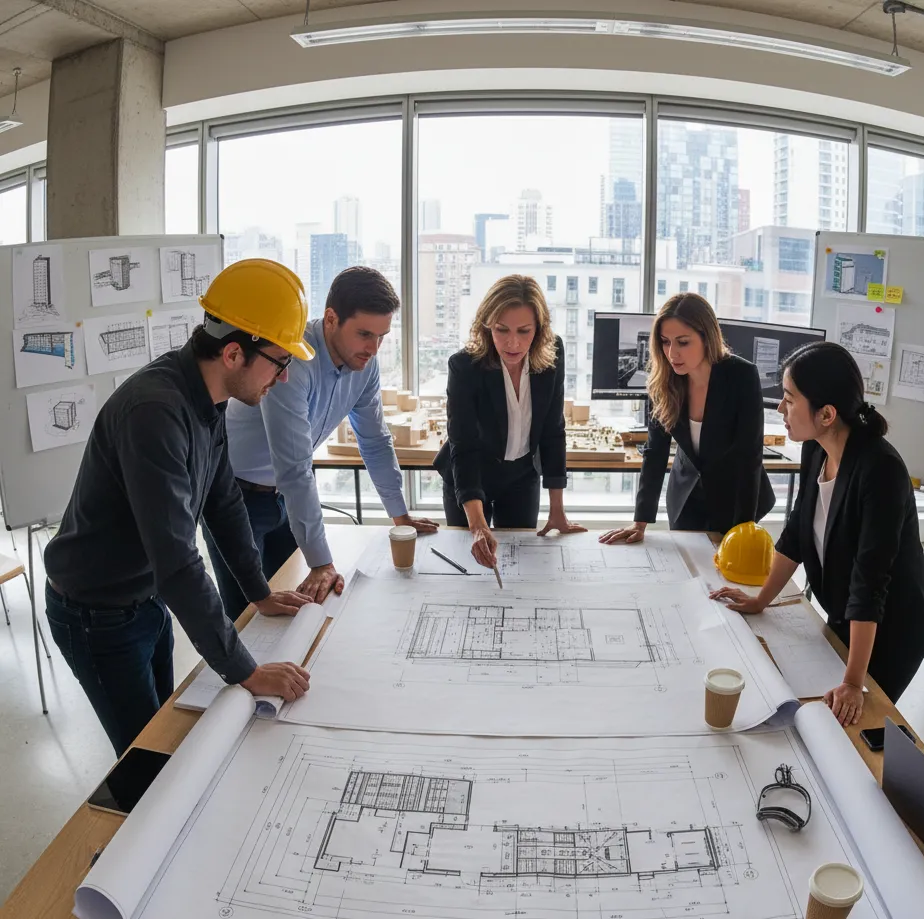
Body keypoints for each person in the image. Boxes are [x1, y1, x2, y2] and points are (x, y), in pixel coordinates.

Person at [44, 259, 316, 756]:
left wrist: (259, 593)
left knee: (165, 737)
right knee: (145, 757)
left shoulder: (205, 398)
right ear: (234, 352)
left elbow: (223, 500)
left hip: (145, 601)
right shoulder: (156, 412)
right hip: (95, 613)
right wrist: (247, 671)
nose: (282, 378)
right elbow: (176, 559)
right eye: (280, 362)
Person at [711, 341, 924, 723]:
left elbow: (870, 581)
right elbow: (799, 531)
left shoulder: (880, 471)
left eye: (789, 399)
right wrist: (761, 600)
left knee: (855, 720)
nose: (781, 409)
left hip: (894, 626)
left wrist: (853, 682)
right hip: (850, 609)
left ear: (827, 414)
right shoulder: (816, 449)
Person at [207, 266, 437, 619]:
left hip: (284, 497)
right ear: (331, 319)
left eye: (382, 336)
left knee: (294, 604)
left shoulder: (365, 364)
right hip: (234, 496)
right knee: (249, 614)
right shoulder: (293, 362)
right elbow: (296, 468)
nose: (373, 348)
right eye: (364, 334)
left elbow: (374, 439)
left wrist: (399, 514)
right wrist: (323, 563)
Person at [433, 274, 585, 569]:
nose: (513, 342)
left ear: (539, 330)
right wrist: (477, 526)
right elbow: (463, 446)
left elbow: (553, 431)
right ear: (487, 324)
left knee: (520, 564)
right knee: (471, 564)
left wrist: (558, 511)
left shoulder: (553, 354)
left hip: (521, 476)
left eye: (524, 331)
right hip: (469, 475)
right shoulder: (464, 366)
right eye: (501, 330)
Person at [600, 293, 773, 544]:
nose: (672, 353)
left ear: (707, 337)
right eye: (665, 342)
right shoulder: (663, 381)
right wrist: (640, 521)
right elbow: (655, 452)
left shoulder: (742, 376)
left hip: (734, 498)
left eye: (683, 342)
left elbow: (750, 455)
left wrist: (743, 528)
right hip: (686, 498)